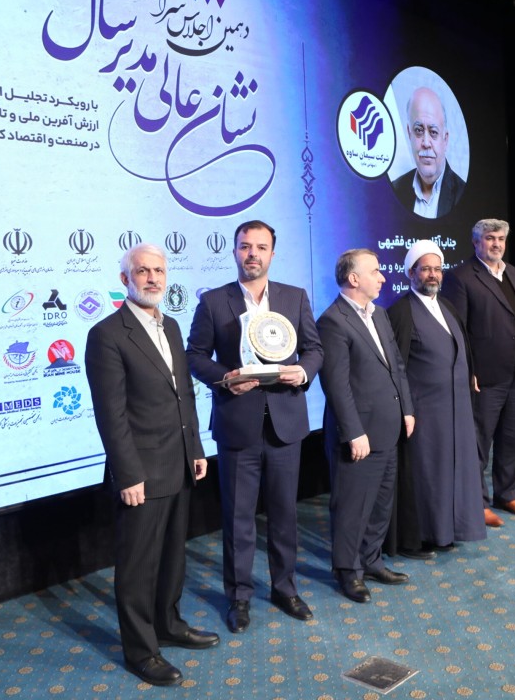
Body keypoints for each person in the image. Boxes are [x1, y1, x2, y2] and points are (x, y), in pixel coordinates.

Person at [86, 243, 219, 687]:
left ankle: (169, 624)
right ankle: (142, 650)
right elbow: (111, 415)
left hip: (179, 463)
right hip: (140, 472)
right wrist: (128, 474)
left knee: (172, 556)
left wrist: (195, 448)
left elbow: (184, 395)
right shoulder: (107, 334)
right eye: (142, 271)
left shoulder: (173, 326)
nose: (152, 278)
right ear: (125, 279)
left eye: (159, 271)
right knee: (138, 567)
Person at [186, 220, 324, 633]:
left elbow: (314, 349)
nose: (252, 254)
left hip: (285, 423)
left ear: (272, 254)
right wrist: (226, 377)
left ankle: (285, 588)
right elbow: (194, 356)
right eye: (245, 246)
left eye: (261, 247)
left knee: (284, 514)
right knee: (239, 518)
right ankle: (239, 597)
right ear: (234, 252)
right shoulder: (214, 301)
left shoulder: (294, 297)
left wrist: (302, 372)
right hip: (237, 423)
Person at [317, 249, 415, 603]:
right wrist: (353, 431)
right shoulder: (333, 321)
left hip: (389, 427)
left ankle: (371, 561)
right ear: (354, 278)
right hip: (359, 434)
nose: (383, 277)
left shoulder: (380, 314)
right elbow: (336, 385)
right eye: (375, 271)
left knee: (380, 503)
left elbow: (396, 366)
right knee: (352, 507)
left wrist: (407, 409)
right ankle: (348, 571)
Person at [386, 239, 486, 556]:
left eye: (437, 269)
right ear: (411, 273)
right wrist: (405, 409)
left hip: (457, 410)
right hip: (424, 414)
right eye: (426, 269)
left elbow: (462, 347)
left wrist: (470, 374)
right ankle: (422, 536)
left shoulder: (447, 306)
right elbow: (395, 367)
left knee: (455, 472)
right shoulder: (401, 312)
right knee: (428, 475)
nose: (433, 275)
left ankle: (450, 529)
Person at [441, 219, 515, 526]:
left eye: (500, 238)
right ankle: (478, 503)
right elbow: (457, 330)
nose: (496, 243)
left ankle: (507, 494)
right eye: (489, 238)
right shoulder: (460, 277)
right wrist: (468, 369)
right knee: (479, 444)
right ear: (476, 242)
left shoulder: (514, 273)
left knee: (513, 441)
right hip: (484, 378)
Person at [391, 86, 466, 219]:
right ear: (409, 133)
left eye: (433, 132)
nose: (426, 143)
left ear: (445, 139)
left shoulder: (463, 195)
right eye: (419, 130)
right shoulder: (395, 190)